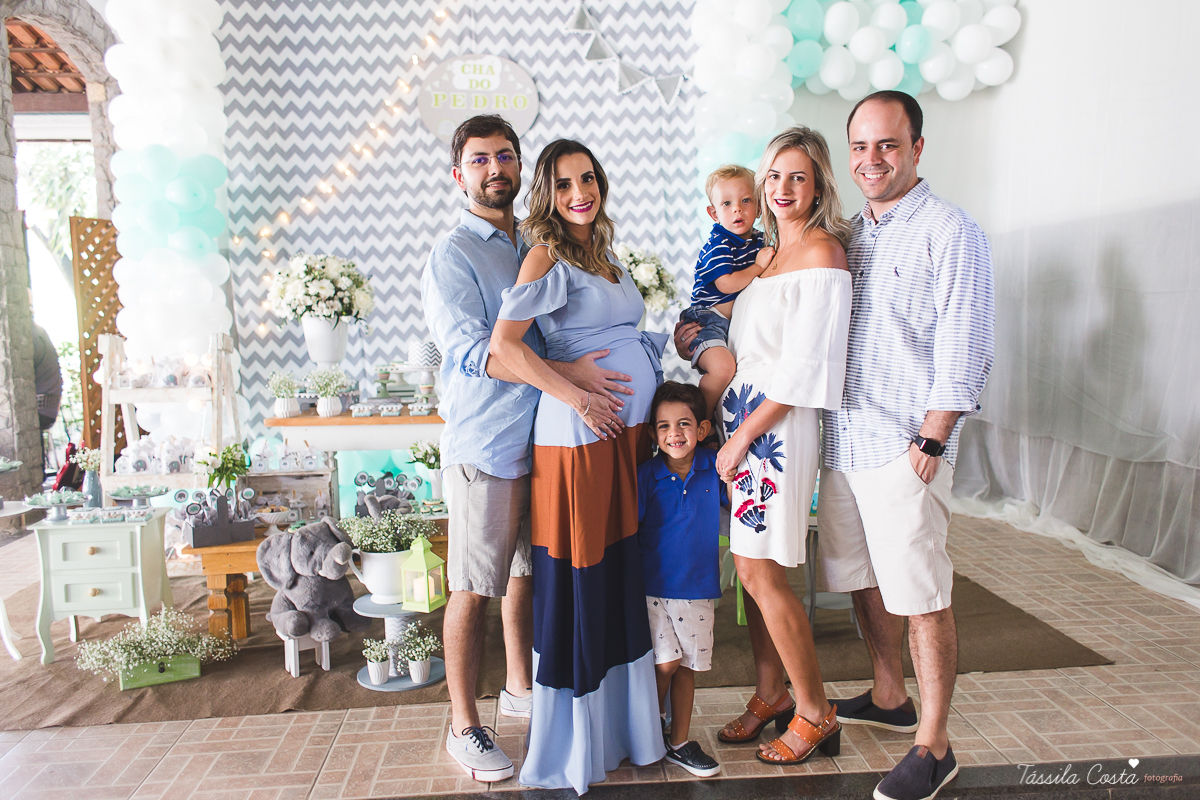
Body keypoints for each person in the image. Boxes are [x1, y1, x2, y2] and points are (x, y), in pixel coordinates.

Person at [421, 115, 634, 783]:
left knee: (523, 575)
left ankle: (519, 687)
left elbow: (553, 334)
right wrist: (572, 385)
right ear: (459, 175)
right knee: (473, 587)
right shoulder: (454, 254)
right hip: (486, 443)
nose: (494, 169)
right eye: (480, 160)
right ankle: (464, 724)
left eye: (505, 157)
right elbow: (479, 353)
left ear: (521, 170)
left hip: (540, 442)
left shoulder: (536, 243)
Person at [820, 91, 994, 800]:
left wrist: (934, 436)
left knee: (922, 594)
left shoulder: (951, 231)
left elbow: (966, 338)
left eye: (887, 145)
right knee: (863, 578)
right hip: (845, 439)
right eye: (860, 147)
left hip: (903, 444)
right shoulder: (850, 235)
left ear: (917, 148)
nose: (872, 160)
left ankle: (935, 744)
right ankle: (890, 695)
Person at [489, 139, 667, 793]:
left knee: (618, 572)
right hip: (578, 439)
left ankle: (626, 731)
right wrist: (580, 395)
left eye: (586, 179)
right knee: (583, 578)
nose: (578, 194)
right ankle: (577, 744)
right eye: (563, 185)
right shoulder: (547, 252)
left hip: (620, 439)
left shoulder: (605, 252)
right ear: (548, 194)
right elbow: (504, 347)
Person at [682, 127, 853, 766]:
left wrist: (745, 436)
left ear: (818, 186)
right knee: (753, 570)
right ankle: (770, 693)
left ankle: (815, 711)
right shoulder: (764, 256)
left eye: (798, 177)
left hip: (773, 428)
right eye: (774, 176)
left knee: (759, 569)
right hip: (738, 423)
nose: (782, 188)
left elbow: (810, 367)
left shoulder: (821, 255)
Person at [637, 381, 724, 778]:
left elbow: (743, 501)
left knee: (687, 665)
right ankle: (649, 730)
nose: (674, 434)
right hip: (652, 589)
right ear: (654, 433)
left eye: (684, 424)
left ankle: (679, 742)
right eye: (664, 426)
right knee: (665, 663)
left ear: (702, 430)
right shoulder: (647, 476)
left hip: (698, 590)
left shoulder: (715, 467)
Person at [678, 165, 775, 417]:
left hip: (731, 323)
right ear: (713, 213)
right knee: (722, 369)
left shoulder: (759, 240)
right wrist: (758, 266)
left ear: (759, 206)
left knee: (736, 373)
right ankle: (701, 419)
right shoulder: (719, 243)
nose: (737, 209)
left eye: (746, 200)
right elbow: (726, 284)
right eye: (727, 203)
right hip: (706, 318)